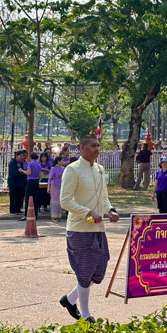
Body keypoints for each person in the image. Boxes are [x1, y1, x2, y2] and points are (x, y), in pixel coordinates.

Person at [58, 134, 120, 322]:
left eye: (98, 145)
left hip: (98, 229)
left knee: (98, 270)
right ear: (81, 149)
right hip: (79, 229)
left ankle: (69, 299)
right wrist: (87, 212)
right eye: (93, 146)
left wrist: (110, 210)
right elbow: (65, 201)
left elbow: (104, 197)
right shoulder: (72, 170)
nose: (97, 149)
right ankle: (85, 315)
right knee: (84, 272)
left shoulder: (100, 170)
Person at [48, 157, 69, 222]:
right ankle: (54, 216)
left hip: (61, 186)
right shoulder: (53, 169)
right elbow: (50, 178)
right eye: (61, 161)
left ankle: (59, 216)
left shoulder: (63, 169)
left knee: (60, 201)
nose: (62, 162)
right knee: (54, 201)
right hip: (54, 186)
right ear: (58, 161)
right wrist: (48, 187)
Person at [7, 150, 28, 214]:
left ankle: (18, 209)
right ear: (16, 156)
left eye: (22, 156)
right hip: (13, 182)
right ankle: (13, 210)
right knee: (14, 196)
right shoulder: (12, 163)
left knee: (19, 196)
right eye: (20, 156)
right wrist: (22, 173)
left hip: (20, 183)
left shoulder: (21, 163)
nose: (21, 158)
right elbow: (14, 173)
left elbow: (22, 170)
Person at [23, 151, 42, 219]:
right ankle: (35, 214)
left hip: (30, 181)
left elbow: (29, 172)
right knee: (35, 198)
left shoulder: (30, 164)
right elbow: (40, 175)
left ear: (30, 157)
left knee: (28, 198)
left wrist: (22, 171)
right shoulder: (39, 164)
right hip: (36, 181)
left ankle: (27, 214)